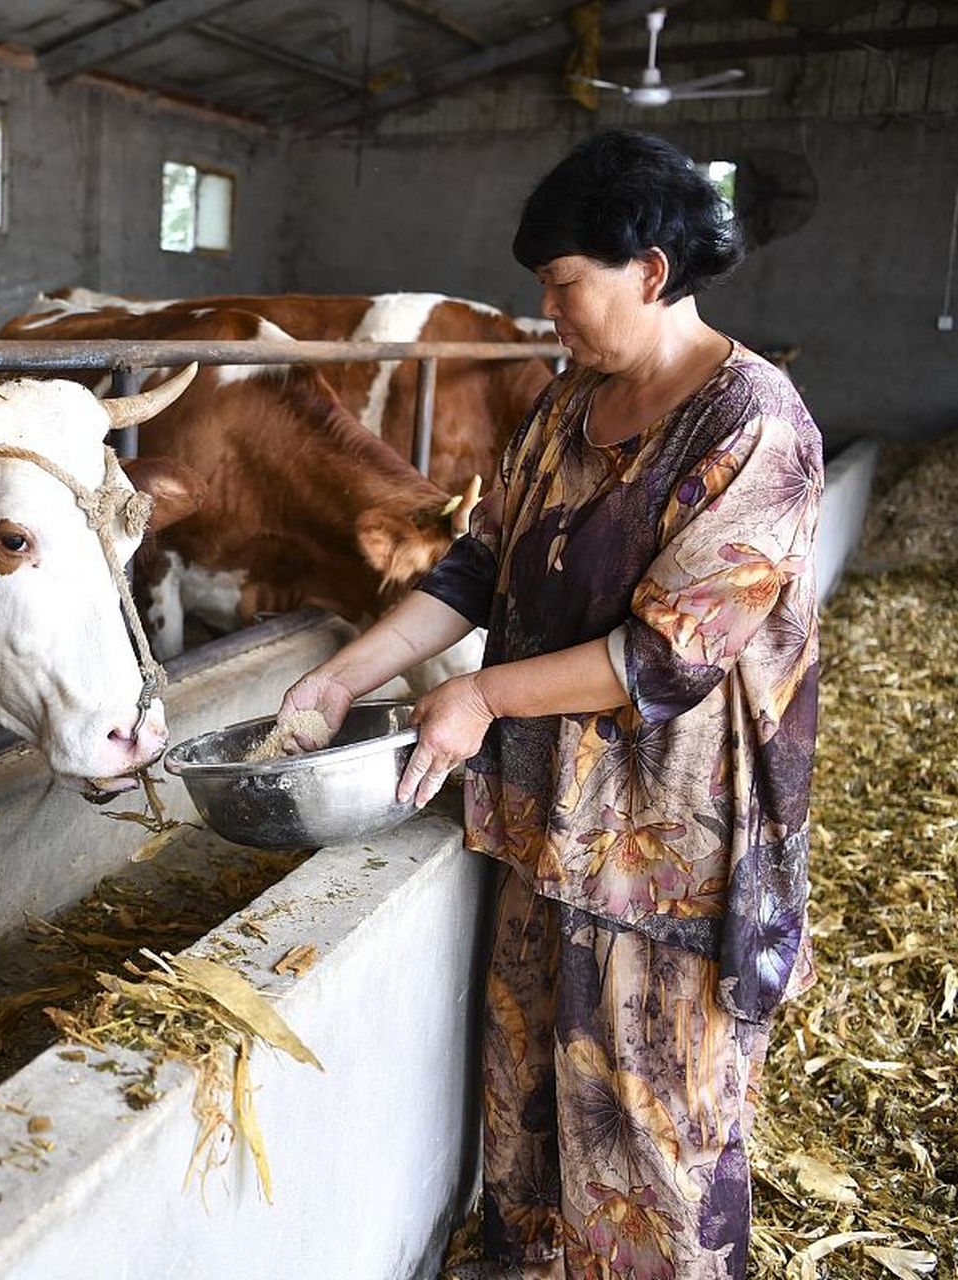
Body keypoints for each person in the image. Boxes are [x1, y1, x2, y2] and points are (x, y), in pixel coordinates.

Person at [272, 128, 823, 1278]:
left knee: (648, 1144)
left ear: (651, 273)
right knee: (525, 1130)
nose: (549, 312)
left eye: (564, 284)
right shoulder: (569, 404)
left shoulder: (751, 425)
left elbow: (670, 655)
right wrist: (339, 678)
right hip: (543, 832)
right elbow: (472, 567)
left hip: (669, 858)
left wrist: (477, 693)